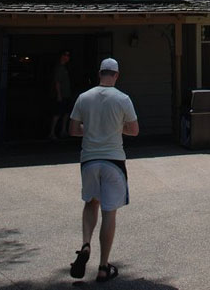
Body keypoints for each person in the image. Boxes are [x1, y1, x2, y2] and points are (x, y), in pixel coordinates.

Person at [68, 57, 139, 283]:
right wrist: (117, 128)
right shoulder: (123, 99)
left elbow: (72, 130)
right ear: (116, 75)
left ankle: (86, 243)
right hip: (113, 160)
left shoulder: (84, 97)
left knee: (91, 203)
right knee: (110, 212)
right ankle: (103, 266)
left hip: (89, 158)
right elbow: (134, 130)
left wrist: (90, 130)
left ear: (100, 73)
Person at [48, 49, 72, 140]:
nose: (67, 57)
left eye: (68, 56)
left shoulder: (65, 67)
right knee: (57, 113)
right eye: (65, 55)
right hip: (61, 95)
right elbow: (57, 82)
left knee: (66, 113)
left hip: (66, 94)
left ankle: (63, 131)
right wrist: (59, 95)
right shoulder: (59, 68)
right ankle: (52, 132)